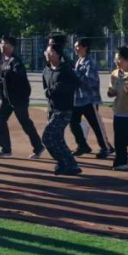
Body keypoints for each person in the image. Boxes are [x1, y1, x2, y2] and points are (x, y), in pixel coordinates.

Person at [0, 35, 45, 160]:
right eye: (1, 43)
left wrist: (2, 75)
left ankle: (38, 146)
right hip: (6, 98)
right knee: (0, 119)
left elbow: (18, 78)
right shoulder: (3, 60)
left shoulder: (16, 62)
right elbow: (3, 78)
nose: (1, 46)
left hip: (18, 98)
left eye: (4, 43)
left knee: (25, 122)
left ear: (11, 46)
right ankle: (5, 149)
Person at [41, 43, 83, 176]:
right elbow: (46, 90)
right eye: (46, 52)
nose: (47, 54)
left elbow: (77, 83)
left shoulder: (65, 69)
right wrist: (50, 93)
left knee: (48, 137)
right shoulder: (46, 70)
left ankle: (67, 163)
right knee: (57, 138)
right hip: (52, 109)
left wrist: (61, 88)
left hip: (64, 110)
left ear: (58, 54)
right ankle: (67, 164)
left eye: (50, 52)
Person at [69, 38, 113, 159]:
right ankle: (82, 145)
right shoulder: (79, 61)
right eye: (75, 46)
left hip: (89, 100)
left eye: (78, 46)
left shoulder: (90, 62)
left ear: (85, 47)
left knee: (96, 125)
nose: (76, 49)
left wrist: (75, 73)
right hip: (78, 100)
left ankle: (106, 148)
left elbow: (91, 81)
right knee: (72, 121)